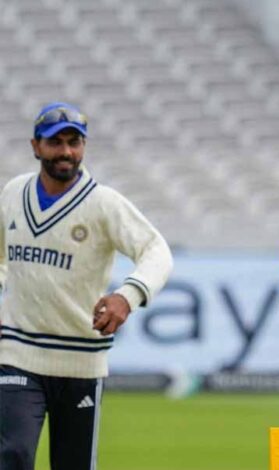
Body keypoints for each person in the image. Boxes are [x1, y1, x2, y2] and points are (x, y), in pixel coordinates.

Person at [0, 102, 173, 470]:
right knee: (13, 454)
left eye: (74, 142)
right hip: (16, 353)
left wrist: (128, 295)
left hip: (81, 362)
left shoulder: (103, 203)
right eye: (55, 142)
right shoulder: (13, 193)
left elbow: (156, 251)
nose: (66, 151)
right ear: (35, 146)